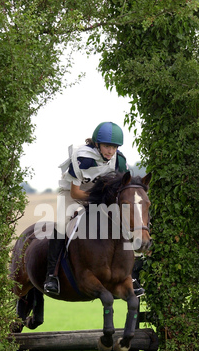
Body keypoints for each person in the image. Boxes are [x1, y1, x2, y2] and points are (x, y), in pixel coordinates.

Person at [43, 121, 145, 297]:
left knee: (126, 224)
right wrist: (98, 201)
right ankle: (52, 276)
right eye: (106, 146)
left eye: (114, 147)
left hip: (101, 197)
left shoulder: (119, 161)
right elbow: (76, 192)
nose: (110, 152)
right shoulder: (83, 158)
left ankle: (131, 276)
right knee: (61, 225)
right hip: (74, 193)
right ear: (97, 144)